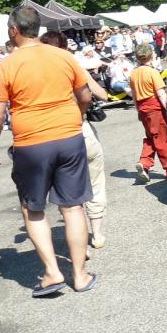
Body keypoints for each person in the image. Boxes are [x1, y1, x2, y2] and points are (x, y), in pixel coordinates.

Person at [0, 6, 98, 296]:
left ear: (14, 30)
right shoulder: (63, 56)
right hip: (68, 136)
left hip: (31, 143)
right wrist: (74, 118)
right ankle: (80, 275)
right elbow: (85, 96)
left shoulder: (6, 65)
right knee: (73, 205)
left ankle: (52, 272)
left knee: (33, 208)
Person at [41, 31, 108, 251]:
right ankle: (96, 235)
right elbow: (102, 95)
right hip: (83, 130)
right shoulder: (73, 66)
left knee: (67, 192)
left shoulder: (38, 73)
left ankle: (80, 247)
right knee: (96, 183)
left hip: (54, 133)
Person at [130, 44, 167, 183]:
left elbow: (135, 97)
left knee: (151, 136)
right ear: (151, 56)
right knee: (163, 138)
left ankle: (144, 163)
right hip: (154, 108)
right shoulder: (152, 72)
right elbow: (160, 93)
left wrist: (138, 111)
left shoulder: (134, 74)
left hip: (142, 108)